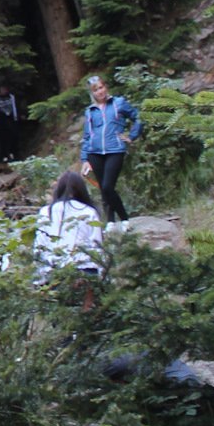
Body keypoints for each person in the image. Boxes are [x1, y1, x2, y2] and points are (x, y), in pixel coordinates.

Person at [79, 73, 141, 225]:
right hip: (95, 152)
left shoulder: (118, 103)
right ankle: (111, 222)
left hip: (115, 150)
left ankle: (125, 219)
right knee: (104, 189)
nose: (100, 92)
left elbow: (138, 117)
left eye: (101, 87)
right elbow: (87, 135)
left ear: (105, 87)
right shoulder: (90, 111)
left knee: (107, 186)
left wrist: (132, 136)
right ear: (92, 93)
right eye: (95, 90)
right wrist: (85, 159)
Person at [34, 170, 104, 281]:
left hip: (53, 270)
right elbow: (97, 245)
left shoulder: (45, 212)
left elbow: (40, 246)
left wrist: (39, 278)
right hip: (85, 270)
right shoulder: (89, 212)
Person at [0, 85, 21, 161]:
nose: (3, 91)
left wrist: (19, 115)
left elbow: (16, 107)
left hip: (12, 119)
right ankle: (4, 156)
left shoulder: (12, 97)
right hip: (0, 121)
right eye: (2, 89)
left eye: (5, 89)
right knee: (2, 139)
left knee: (13, 136)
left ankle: (14, 154)